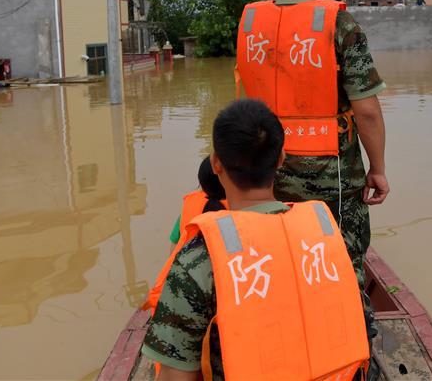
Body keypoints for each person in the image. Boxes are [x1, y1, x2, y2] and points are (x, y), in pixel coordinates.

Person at [142, 99, 369, 380]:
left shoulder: (199, 260)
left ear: (215, 163)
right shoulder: (329, 236)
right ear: (281, 159)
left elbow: (175, 377)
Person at [234, 0, 389, 327]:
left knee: (277, 258)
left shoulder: (251, 21)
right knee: (339, 262)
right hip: (331, 176)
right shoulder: (338, 21)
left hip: (262, 172)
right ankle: (348, 351)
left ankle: (282, 338)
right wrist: (378, 168)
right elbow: (367, 110)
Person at [142, 156, 227, 316]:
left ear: (201, 184)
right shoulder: (239, 212)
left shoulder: (191, 207)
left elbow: (174, 249)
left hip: (172, 300)